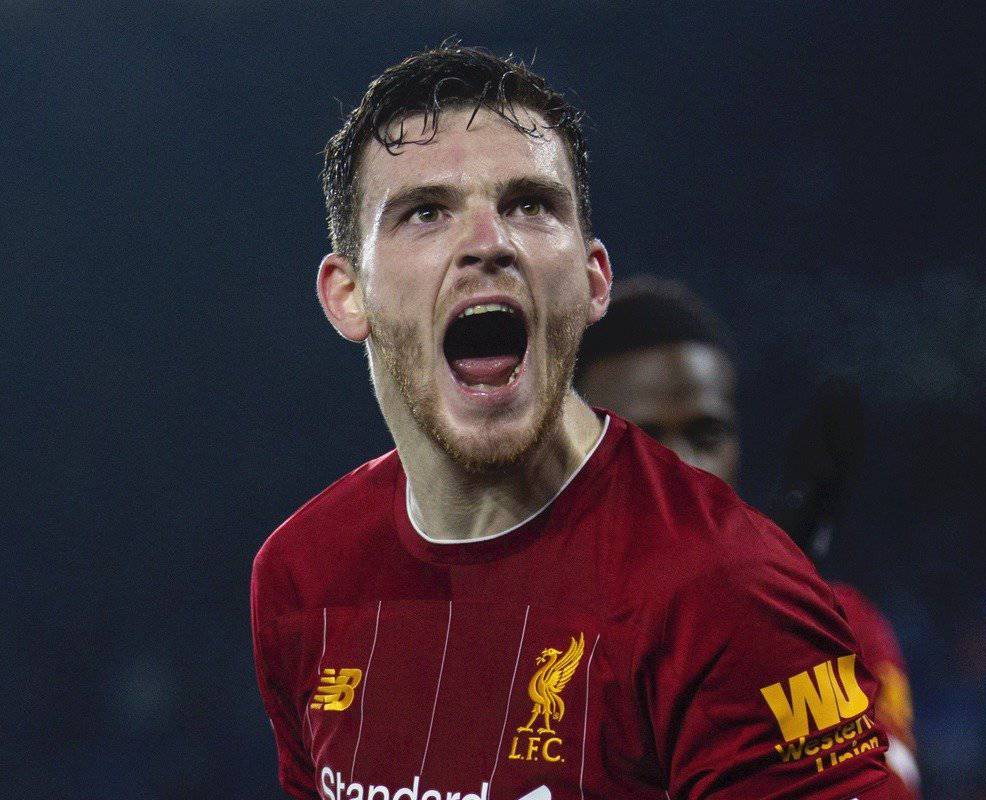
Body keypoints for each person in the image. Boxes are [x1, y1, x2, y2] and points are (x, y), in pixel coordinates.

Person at [252, 44, 892, 800]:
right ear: (347, 295)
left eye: (530, 204)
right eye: (426, 212)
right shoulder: (300, 575)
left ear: (593, 282)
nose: (488, 244)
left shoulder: (728, 590)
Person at [577, 278, 921, 798]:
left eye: (705, 434)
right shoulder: (507, 635)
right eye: (641, 438)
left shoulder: (839, 628)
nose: (683, 467)